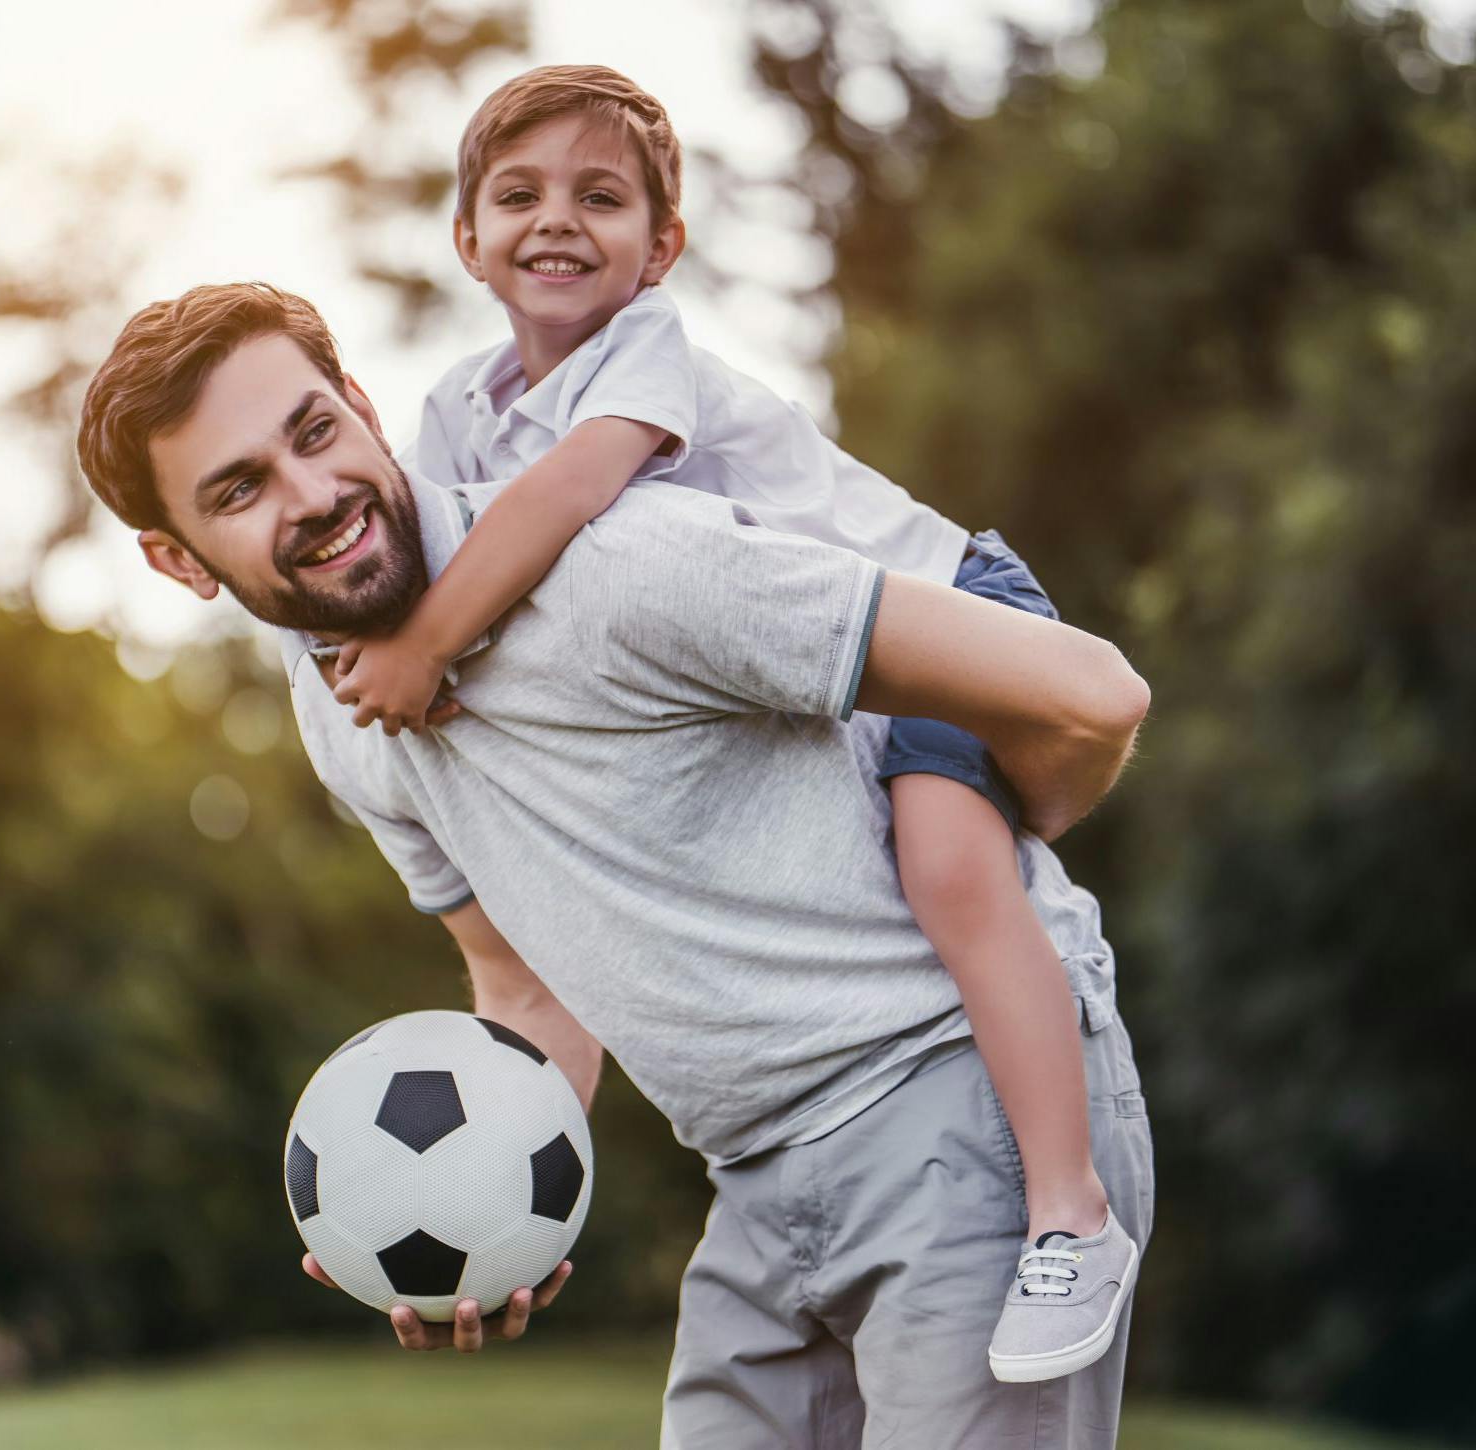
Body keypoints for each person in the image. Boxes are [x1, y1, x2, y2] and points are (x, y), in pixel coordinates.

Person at [75, 281, 1155, 1448]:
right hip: (754, 1178)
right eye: (239, 489)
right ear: (178, 562)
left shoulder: (619, 572)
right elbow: (526, 986)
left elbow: (1091, 696)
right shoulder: (341, 717)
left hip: (959, 1101)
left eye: (314, 431)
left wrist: (990, 866)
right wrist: (480, 1202)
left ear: (362, 405)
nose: (314, 495)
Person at [324, 65, 1130, 1386]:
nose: (556, 222)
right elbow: (452, 551)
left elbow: (572, 492)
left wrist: (420, 645)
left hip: (942, 609)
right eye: (516, 195)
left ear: (661, 246)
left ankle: (1064, 1210)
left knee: (946, 871)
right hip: (818, 668)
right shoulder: (453, 412)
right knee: (899, 863)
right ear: (464, 238)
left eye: (601, 196)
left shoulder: (642, 356)